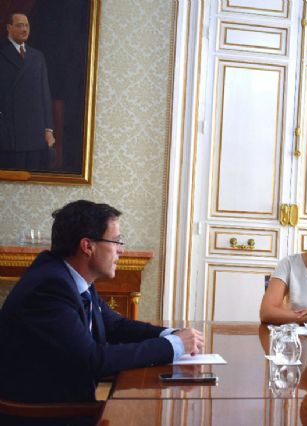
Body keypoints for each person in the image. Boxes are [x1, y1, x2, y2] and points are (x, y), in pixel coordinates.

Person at [0, 200, 204, 404]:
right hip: (41, 413)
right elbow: (92, 359)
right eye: (116, 241)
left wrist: (170, 334)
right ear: (88, 246)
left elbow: (115, 325)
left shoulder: (71, 277)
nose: (121, 250)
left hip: (65, 402)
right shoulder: (50, 287)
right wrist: (174, 346)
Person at [0, 12, 55, 171]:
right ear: (9, 28)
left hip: (35, 132)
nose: (24, 29)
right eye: (19, 25)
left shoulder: (37, 56)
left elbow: (45, 95)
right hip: (9, 132)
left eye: (26, 25)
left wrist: (49, 130)